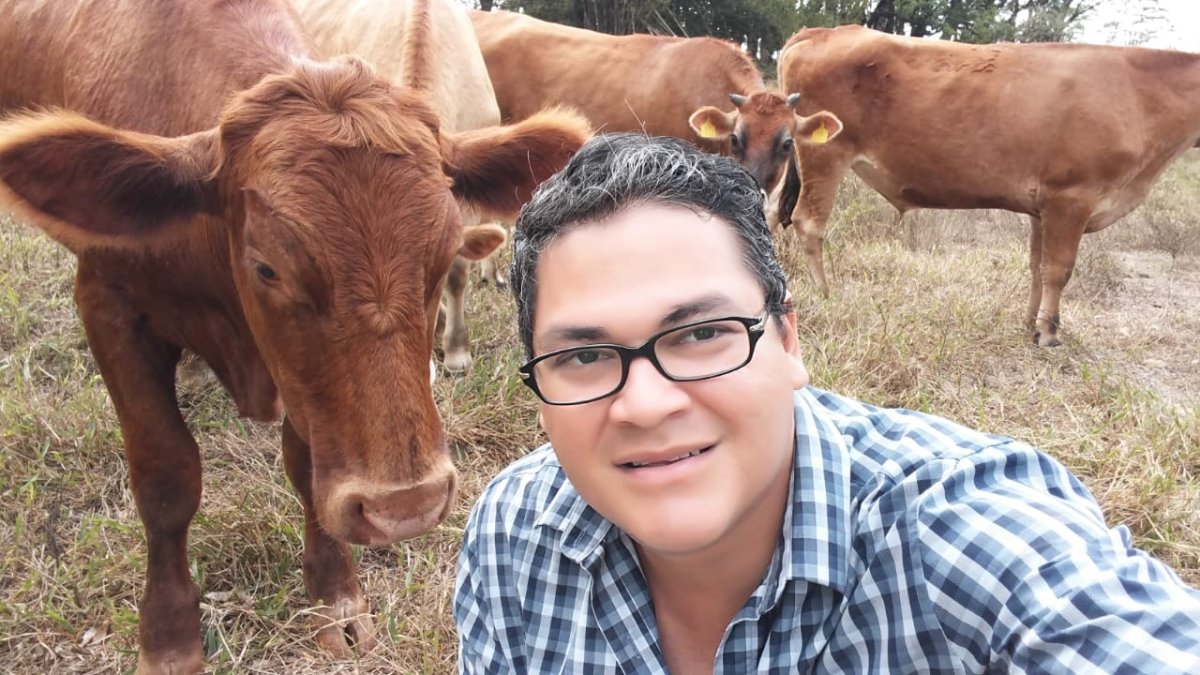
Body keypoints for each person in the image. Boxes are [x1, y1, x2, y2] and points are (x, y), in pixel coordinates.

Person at [452, 133, 1200, 674]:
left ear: (789, 342)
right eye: (582, 355)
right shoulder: (514, 532)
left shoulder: (958, 530)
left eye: (704, 333)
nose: (644, 403)